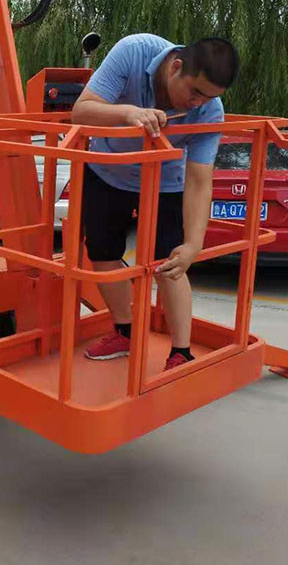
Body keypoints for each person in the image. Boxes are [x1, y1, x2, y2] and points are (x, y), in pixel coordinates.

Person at [70, 34, 239, 371]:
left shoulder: (210, 111)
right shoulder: (133, 52)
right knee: (102, 254)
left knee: (171, 263)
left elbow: (199, 180)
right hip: (108, 170)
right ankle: (125, 332)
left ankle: (181, 353)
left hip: (164, 181)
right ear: (175, 67)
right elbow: (81, 112)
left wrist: (193, 245)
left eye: (210, 97)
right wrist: (129, 113)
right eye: (195, 92)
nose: (199, 103)